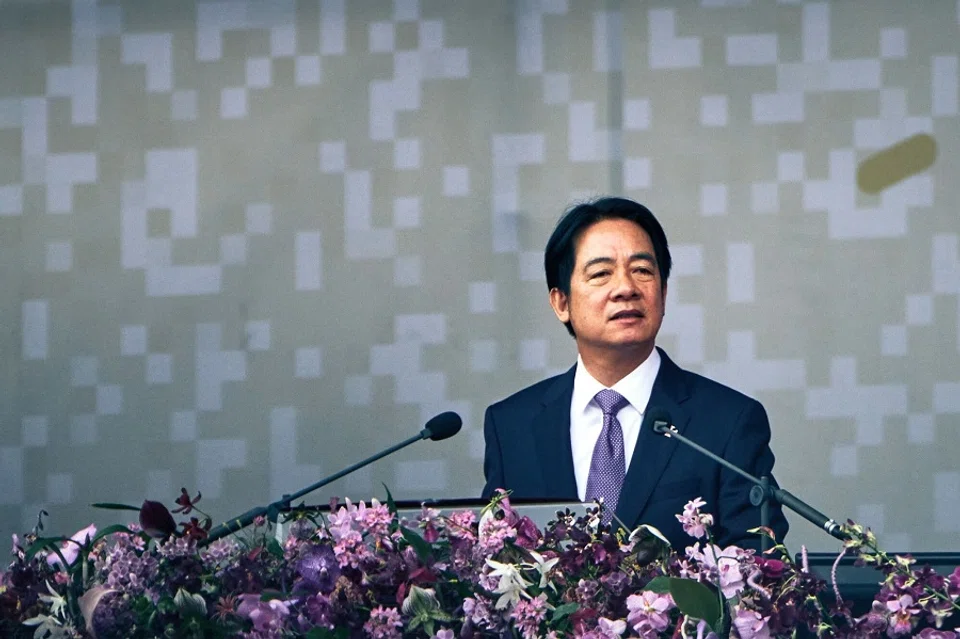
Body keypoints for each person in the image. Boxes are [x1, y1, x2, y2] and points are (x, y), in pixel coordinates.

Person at [481, 197, 789, 550]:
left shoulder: (727, 422)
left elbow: (759, 565)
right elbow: (496, 556)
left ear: (663, 292)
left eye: (642, 270)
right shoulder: (512, 427)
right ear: (561, 303)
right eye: (600, 274)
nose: (626, 288)